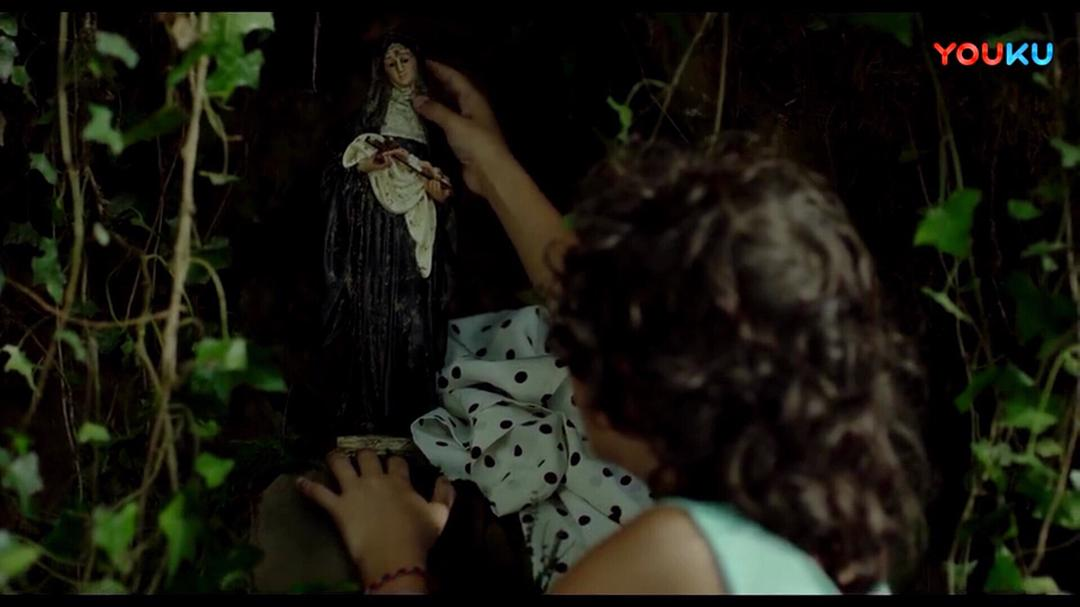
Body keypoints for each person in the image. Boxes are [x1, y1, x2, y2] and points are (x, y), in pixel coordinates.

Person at [297, 59, 929, 594]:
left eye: (582, 343)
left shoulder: (675, 558)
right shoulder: (827, 533)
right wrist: (492, 168)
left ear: (635, 385)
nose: (567, 338)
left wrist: (394, 560)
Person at [320, 37, 456, 436]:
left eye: (404, 57)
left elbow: (452, 186)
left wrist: (441, 196)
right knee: (372, 311)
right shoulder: (364, 122)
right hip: (374, 234)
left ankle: (411, 417)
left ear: (417, 62)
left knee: (414, 319)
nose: (398, 66)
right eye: (390, 60)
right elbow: (334, 176)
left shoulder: (436, 123)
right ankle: (367, 413)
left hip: (418, 233)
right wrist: (364, 168)